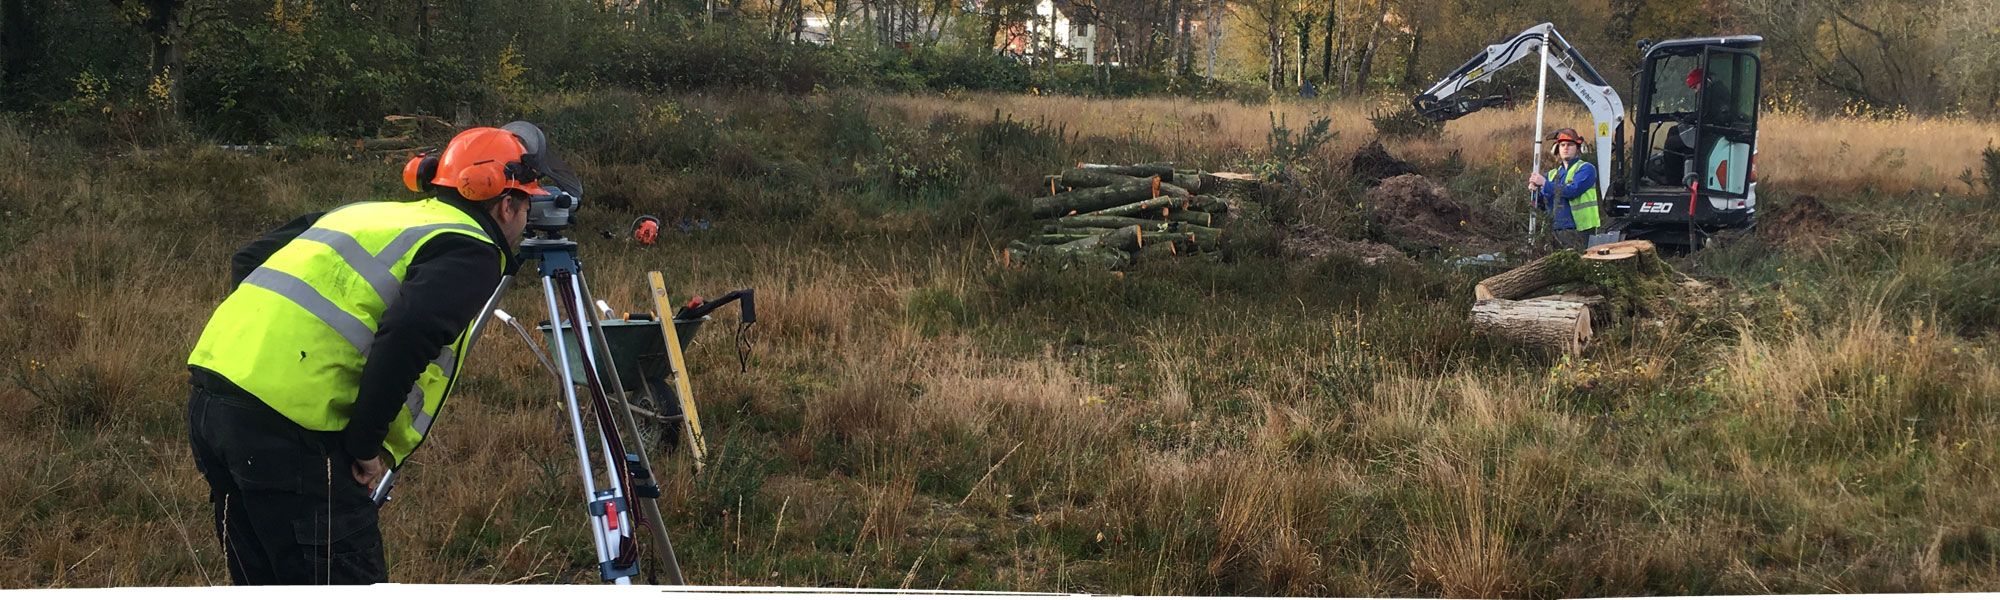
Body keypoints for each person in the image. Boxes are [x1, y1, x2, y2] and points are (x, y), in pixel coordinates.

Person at [185, 122, 572, 584]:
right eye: (527, 202)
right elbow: (408, 333)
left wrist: (264, 351)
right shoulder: (473, 248)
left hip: (213, 401)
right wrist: (365, 445)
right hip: (291, 435)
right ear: (507, 205)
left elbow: (249, 259)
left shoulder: (366, 213)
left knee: (263, 580)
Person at [1527, 128, 1600, 250]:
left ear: (1578, 148)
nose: (1565, 148)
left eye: (1570, 145)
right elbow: (1543, 203)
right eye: (1562, 145)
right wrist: (1535, 192)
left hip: (1579, 229)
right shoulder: (1551, 175)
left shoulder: (1586, 169)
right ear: (1557, 149)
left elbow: (1572, 191)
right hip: (1555, 229)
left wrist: (1544, 183)